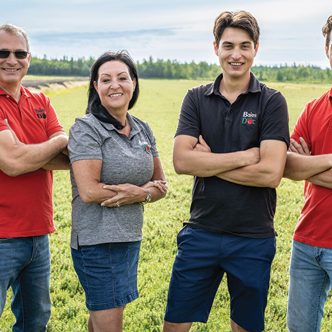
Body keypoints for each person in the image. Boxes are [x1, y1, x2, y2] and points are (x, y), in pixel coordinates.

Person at [163, 10, 290, 332]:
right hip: (201, 231)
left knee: (245, 326)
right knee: (174, 325)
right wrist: (246, 156)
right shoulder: (195, 98)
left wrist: (209, 163)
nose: (236, 55)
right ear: (216, 47)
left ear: (256, 49)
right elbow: (182, 162)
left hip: (253, 237)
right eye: (229, 45)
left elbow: (271, 174)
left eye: (245, 46)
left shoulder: (272, 102)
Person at [68, 50, 167, 332]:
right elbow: (89, 191)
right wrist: (143, 191)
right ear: (95, 86)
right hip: (97, 243)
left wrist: (140, 194)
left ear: (134, 83)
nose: (115, 85)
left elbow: (162, 184)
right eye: (106, 79)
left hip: (128, 238)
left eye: (123, 77)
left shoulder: (143, 128)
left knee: (104, 315)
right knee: (110, 321)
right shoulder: (86, 128)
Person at [0, 24, 69, 331]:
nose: (11, 60)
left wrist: (29, 154)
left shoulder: (40, 100)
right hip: (1, 236)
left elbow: (66, 161)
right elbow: (14, 162)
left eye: (19, 53)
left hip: (38, 234)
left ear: (29, 58)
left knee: (35, 321)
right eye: (2, 52)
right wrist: (57, 142)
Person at [284, 15, 332, 332]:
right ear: (327, 50)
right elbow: (288, 166)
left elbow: (301, 167)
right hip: (306, 242)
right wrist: (304, 165)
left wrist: (311, 164)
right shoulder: (313, 109)